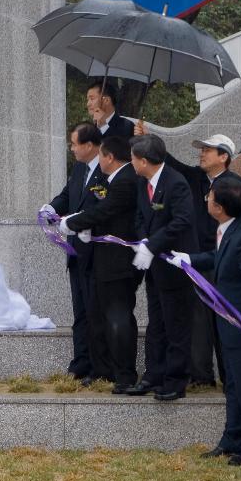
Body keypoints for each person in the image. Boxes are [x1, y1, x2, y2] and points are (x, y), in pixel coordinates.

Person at [167, 174, 241, 465]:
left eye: (209, 196)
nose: (206, 200)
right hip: (229, 321)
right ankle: (233, 436)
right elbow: (219, 257)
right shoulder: (231, 227)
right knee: (235, 385)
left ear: (221, 206)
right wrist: (189, 259)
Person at [162, 133, 241, 388]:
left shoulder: (235, 185)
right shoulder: (197, 178)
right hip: (197, 260)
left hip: (223, 261)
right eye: (202, 149)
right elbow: (175, 165)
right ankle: (201, 376)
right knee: (199, 318)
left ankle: (231, 377)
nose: (202, 153)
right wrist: (151, 140)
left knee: (225, 318)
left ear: (224, 156)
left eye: (209, 150)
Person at [62, 135, 140, 393]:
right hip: (103, 261)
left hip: (119, 264)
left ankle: (125, 375)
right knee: (100, 318)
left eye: (102, 157)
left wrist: (73, 223)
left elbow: (105, 210)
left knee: (118, 319)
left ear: (109, 157)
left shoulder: (126, 180)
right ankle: (106, 370)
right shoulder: (113, 179)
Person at [128, 133, 197, 401]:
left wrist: (153, 244)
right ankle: (153, 374)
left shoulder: (176, 183)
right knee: (156, 322)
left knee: (176, 324)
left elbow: (182, 220)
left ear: (144, 161)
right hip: (154, 266)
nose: (131, 163)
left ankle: (175, 380)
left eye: (133, 159)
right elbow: (139, 215)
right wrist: (143, 239)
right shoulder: (142, 182)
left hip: (174, 265)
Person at [39, 122, 107, 384]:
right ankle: (80, 362)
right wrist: (51, 208)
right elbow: (67, 195)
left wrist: (76, 221)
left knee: (94, 311)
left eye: (74, 143)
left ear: (89, 146)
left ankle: (97, 367)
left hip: (97, 252)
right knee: (80, 311)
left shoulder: (106, 169)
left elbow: (102, 207)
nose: (72, 148)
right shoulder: (79, 168)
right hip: (76, 252)